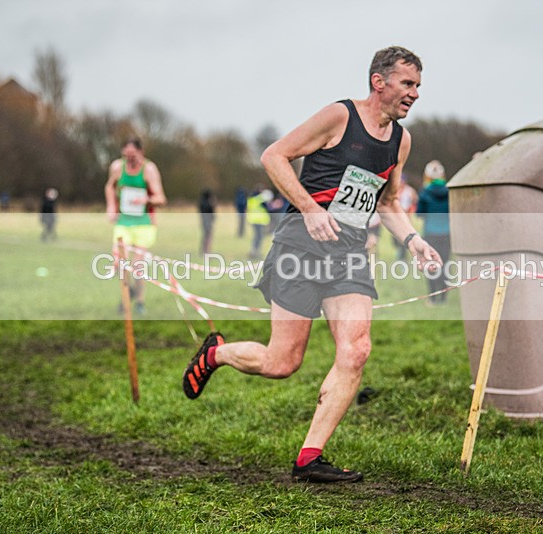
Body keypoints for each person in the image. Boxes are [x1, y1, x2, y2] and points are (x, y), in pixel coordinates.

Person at [182, 46, 441, 482]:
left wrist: (413, 239)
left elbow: (389, 201)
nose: (415, 93)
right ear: (379, 82)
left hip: (350, 254)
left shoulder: (401, 140)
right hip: (301, 246)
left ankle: (309, 457)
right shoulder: (340, 117)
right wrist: (309, 208)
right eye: (407, 83)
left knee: (356, 349)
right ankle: (216, 354)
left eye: (418, 85)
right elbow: (274, 156)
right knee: (283, 362)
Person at [104, 137, 167, 315]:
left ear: (141, 152)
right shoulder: (117, 167)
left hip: (144, 223)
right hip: (124, 221)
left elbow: (161, 198)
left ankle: (139, 301)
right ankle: (127, 293)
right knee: (118, 261)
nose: (130, 159)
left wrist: (146, 199)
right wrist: (111, 206)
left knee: (138, 266)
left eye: (133, 155)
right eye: (126, 155)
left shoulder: (149, 169)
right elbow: (109, 187)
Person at [416, 160, 451, 305]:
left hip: (430, 233)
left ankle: (432, 298)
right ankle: (443, 296)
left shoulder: (425, 193)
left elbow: (419, 214)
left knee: (430, 265)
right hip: (447, 233)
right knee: (445, 264)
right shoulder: (449, 191)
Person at [246, 185, 271, 259]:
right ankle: (256, 252)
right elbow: (268, 208)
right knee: (259, 237)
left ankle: (253, 251)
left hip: (253, 220)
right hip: (260, 220)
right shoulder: (261, 199)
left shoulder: (251, 199)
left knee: (256, 236)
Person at [199, 188, 216, 255]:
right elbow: (211, 211)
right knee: (208, 236)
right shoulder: (208, 204)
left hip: (204, 220)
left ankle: (204, 250)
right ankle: (207, 250)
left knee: (205, 236)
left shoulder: (201, 202)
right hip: (207, 221)